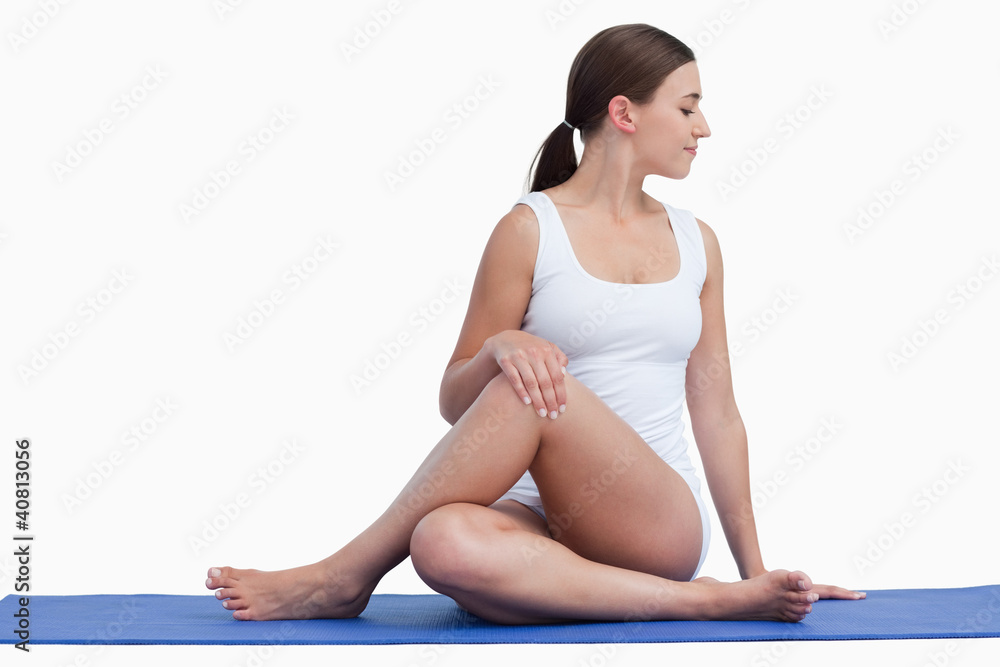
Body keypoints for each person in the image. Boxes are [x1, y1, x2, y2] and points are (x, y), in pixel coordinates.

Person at [205, 23, 865, 624]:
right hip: (532, 521)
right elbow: (454, 400)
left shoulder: (698, 242)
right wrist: (499, 346)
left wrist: (758, 574)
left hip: (652, 521)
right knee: (439, 541)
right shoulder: (528, 231)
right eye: (688, 107)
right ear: (624, 113)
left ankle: (345, 574)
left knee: (534, 386)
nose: (705, 126)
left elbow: (717, 413)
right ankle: (686, 601)